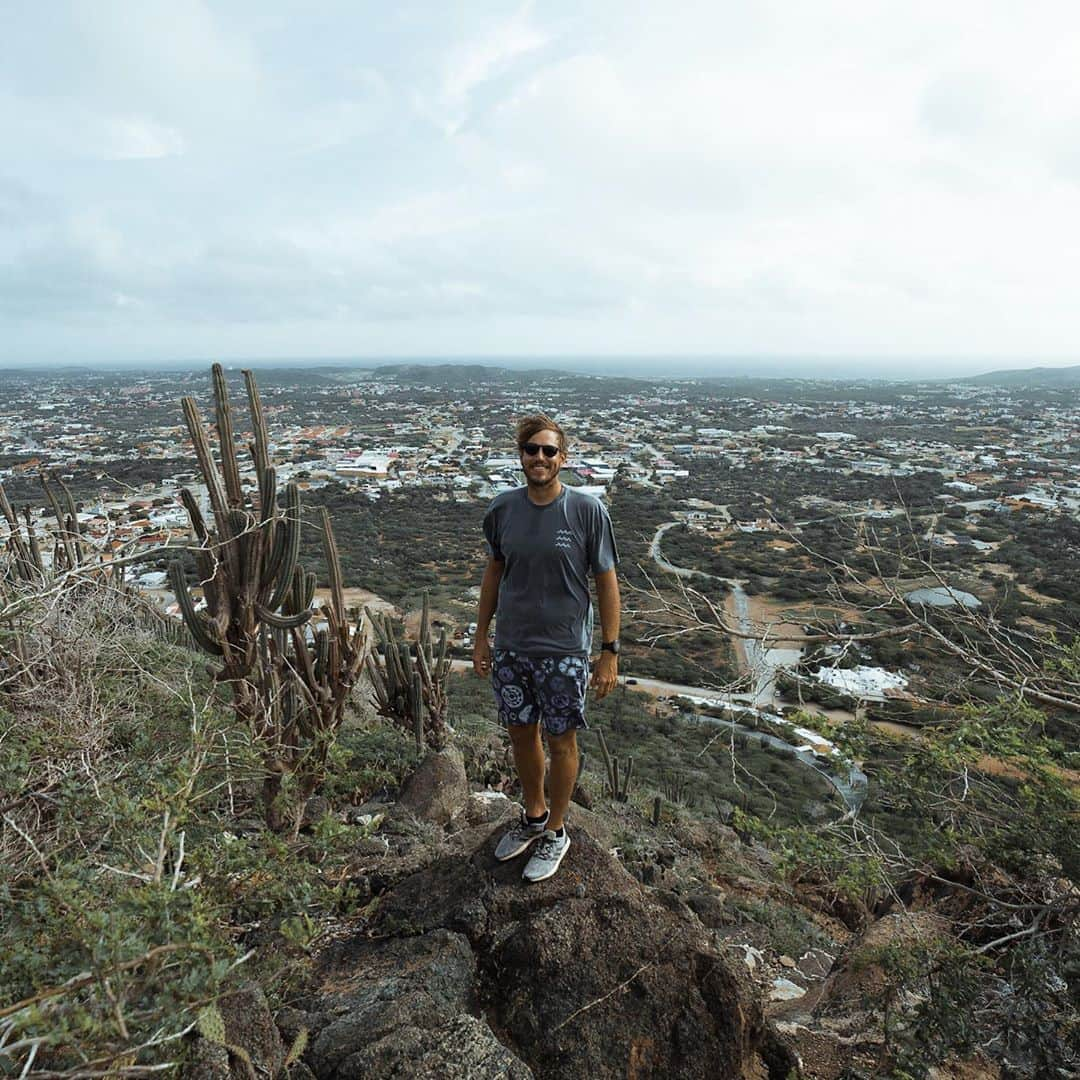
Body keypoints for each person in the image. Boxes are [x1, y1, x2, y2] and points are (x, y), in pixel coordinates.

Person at [473, 413, 620, 882]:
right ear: (521, 455)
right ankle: (533, 816)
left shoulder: (586, 511)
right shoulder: (502, 510)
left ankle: (557, 830)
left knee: (561, 739)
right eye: (532, 450)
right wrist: (481, 635)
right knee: (520, 732)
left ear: (563, 458)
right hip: (513, 644)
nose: (540, 458)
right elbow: (494, 573)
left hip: (564, 649)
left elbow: (607, 583)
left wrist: (609, 651)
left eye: (549, 451)